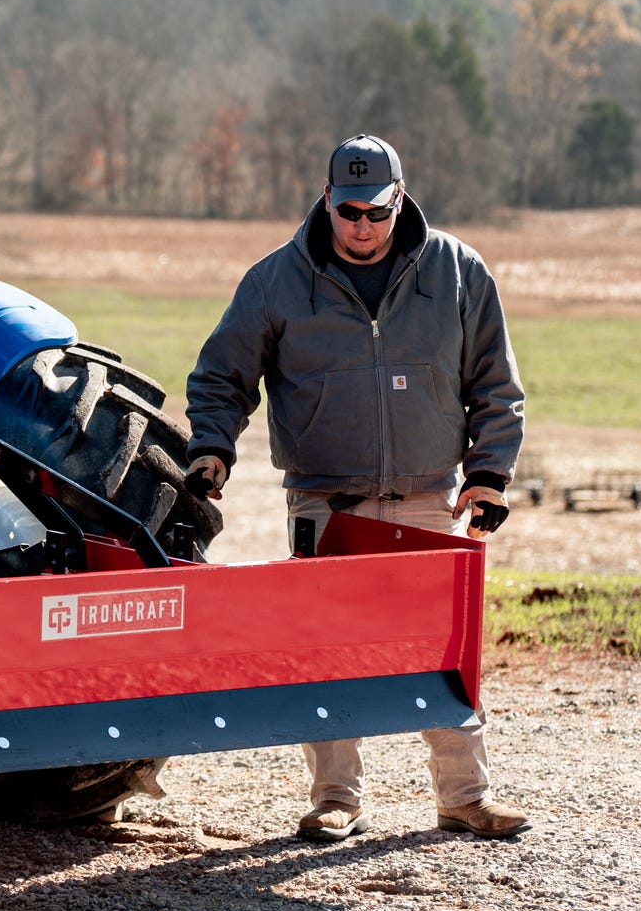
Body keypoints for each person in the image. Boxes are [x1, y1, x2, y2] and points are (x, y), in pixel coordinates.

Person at [184, 133, 530, 841]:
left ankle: (465, 794)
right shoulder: (277, 281)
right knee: (325, 652)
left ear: (400, 199)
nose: (362, 226)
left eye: (375, 210)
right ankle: (335, 797)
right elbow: (221, 375)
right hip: (325, 500)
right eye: (349, 211)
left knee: (440, 648)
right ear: (326, 199)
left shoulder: (458, 272)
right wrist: (212, 450)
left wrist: (489, 472)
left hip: (428, 495)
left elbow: (496, 381)